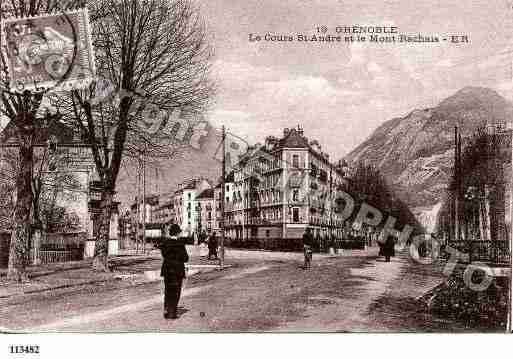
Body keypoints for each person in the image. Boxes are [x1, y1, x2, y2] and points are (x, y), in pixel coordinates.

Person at [158, 224, 189, 319]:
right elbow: (185, 258)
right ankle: (173, 312)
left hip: (167, 270)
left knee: (168, 290)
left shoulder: (165, 243)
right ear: (177, 233)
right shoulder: (180, 244)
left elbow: (164, 255)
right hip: (177, 271)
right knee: (176, 291)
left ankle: (167, 309)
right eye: (179, 232)